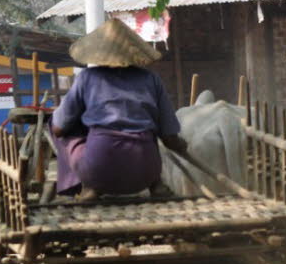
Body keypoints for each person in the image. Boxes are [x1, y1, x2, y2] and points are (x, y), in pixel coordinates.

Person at [51, 18, 187, 200]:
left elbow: (59, 129)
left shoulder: (87, 78)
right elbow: (169, 137)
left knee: (65, 130)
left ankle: (89, 186)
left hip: (99, 169)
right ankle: (156, 184)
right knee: (148, 133)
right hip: (145, 172)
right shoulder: (151, 79)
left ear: (99, 53)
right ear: (134, 53)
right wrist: (182, 146)